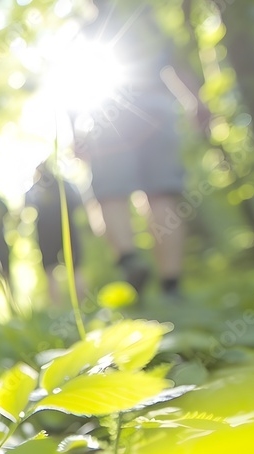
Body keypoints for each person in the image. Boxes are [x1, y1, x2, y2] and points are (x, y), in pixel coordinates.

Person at [73, 1, 209, 299]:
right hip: (157, 108)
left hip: (107, 111)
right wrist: (196, 101)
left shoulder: (88, 29)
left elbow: (74, 84)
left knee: (111, 192)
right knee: (162, 193)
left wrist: (76, 132)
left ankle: (128, 258)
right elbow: (176, 65)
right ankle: (171, 283)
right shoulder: (147, 21)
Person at [25, 162, 86, 305]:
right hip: (68, 228)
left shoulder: (35, 189)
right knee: (76, 267)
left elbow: (27, 208)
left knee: (50, 270)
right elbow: (78, 203)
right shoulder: (64, 184)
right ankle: (83, 304)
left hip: (45, 233)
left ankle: (57, 307)